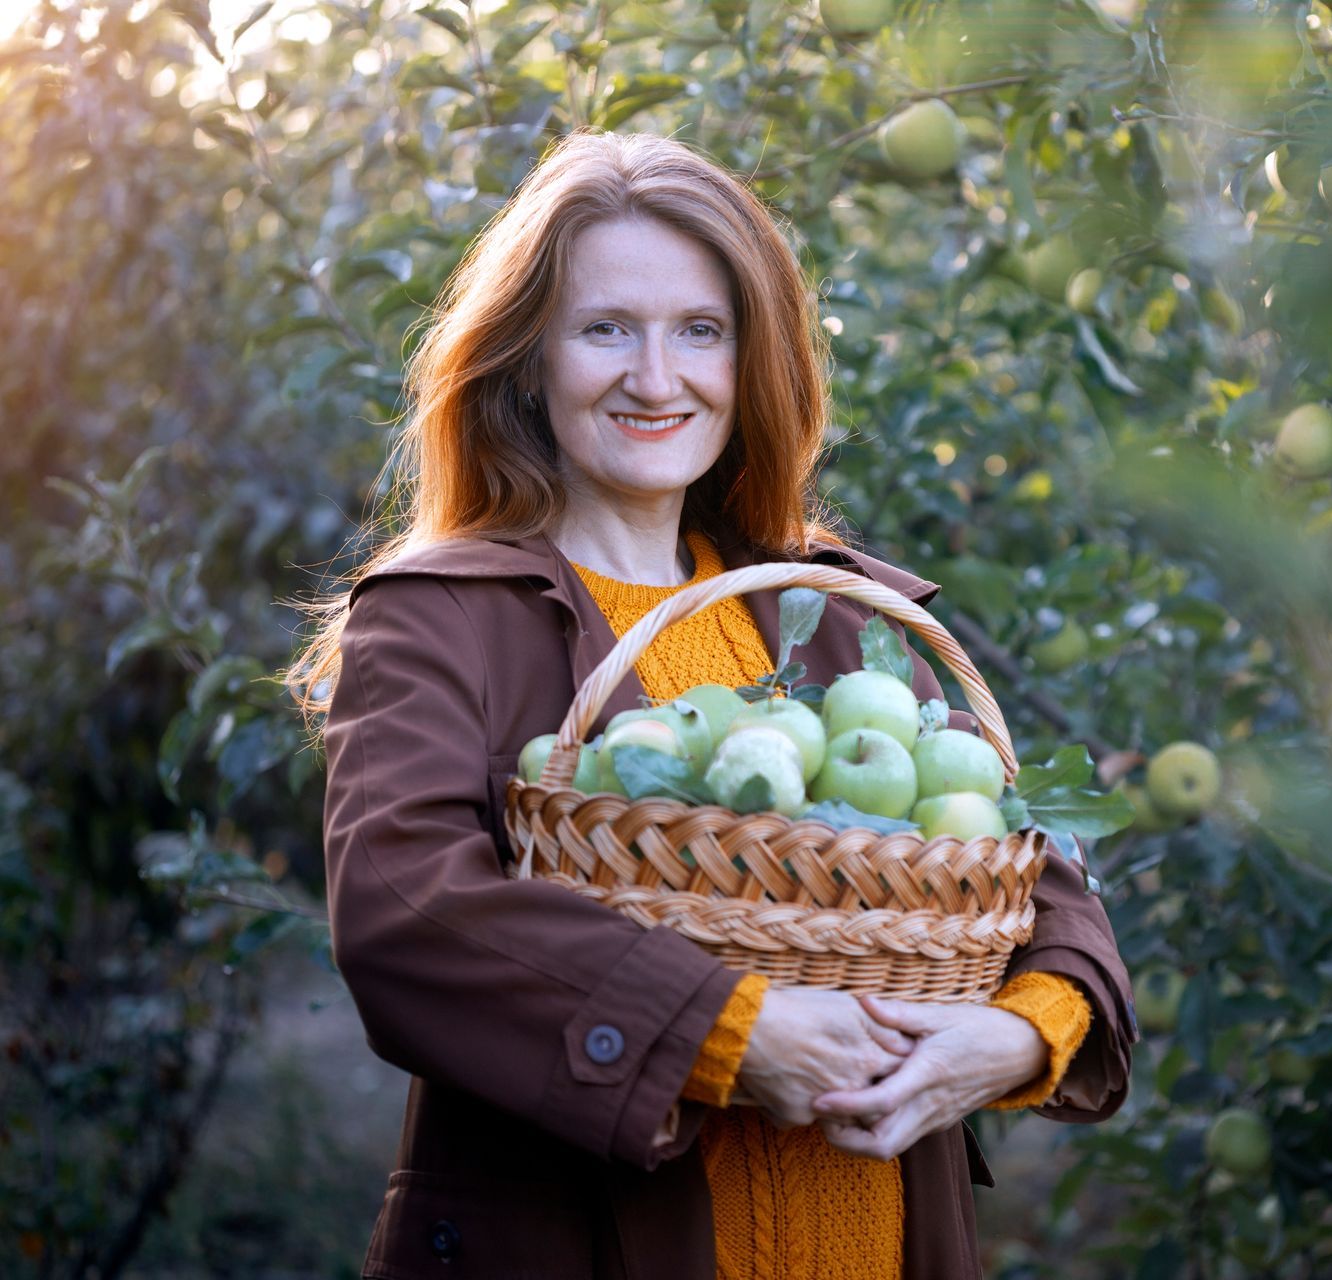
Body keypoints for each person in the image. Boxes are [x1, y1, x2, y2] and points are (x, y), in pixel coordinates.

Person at [289, 129, 1135, 1279]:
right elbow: (405, 909)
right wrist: (726, 1030)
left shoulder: (831, 613)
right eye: (605, 329)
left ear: (753, 360)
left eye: (700, 329)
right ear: (528, 360)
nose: (655, 376)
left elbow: (1030, 864)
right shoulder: (444, 612)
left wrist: (1019, 1029)